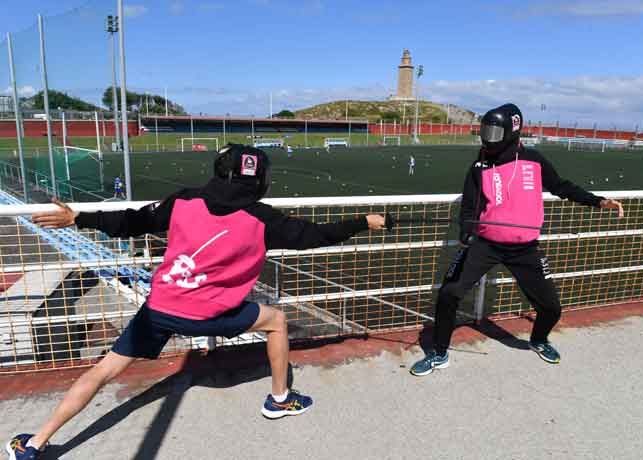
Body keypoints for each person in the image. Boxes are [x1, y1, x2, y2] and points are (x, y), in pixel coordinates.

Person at [8, 143, 386, 459]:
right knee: (276, 321)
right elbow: (317, 235)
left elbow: (131, 221)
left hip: (159, 309)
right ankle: (279, 398)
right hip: (210, 317)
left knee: (104, 370)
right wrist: (362, 222)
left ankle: (35, 444)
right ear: (261, 182)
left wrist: (78, 217)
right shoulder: (263, 219)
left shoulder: (184, 200)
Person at [409, 103, 624, 376]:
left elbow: (561, 187)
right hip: (485, 245)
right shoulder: (479, 166)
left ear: (512, 131)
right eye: (485, 131)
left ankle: (538, 339)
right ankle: (439, 353)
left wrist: (599, 202)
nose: (488, 137)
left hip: (525, 249)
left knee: (551, 308)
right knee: (449, 294)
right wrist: (466, 231)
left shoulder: (533, 160)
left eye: (495, 131)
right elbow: (469, 209)